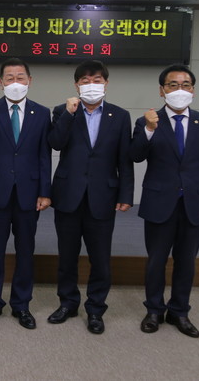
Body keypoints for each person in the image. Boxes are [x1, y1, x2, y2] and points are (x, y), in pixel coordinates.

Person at [130, 64, 199, 338]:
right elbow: (135, 155)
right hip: (159, 202)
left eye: (185, 85)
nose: (179, 90)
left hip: (193, 202)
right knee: (156, 261)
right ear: (162, 90)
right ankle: (154, 310)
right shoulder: (148, 120)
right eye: (173, 85)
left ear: (193, 90)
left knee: (186, 261)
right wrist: (149, 128)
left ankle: (179, 311)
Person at [47, 60, 133, 334]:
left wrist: (126, 193)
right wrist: (69, 114)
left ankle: (96, 309)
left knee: (100, 258)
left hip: (103, 195)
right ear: (76, 85)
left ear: (106, 84)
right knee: (67, 256)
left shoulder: (120, 116)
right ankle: (68, 303)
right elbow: (55, 143)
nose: (91, 85)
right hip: (68, 194)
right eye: (85, 81)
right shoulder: (62, 111)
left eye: (97, 80)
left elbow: (125, 159)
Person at [0, 57, 52, 330]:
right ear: (0, 82)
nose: (15, 82)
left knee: (25, 251)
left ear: (29, 81)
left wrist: (45, 191)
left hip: (29, 192)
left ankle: (21, 305)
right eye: (9, 78)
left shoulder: (42, 113)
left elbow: (44, 155)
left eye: (20, 78)